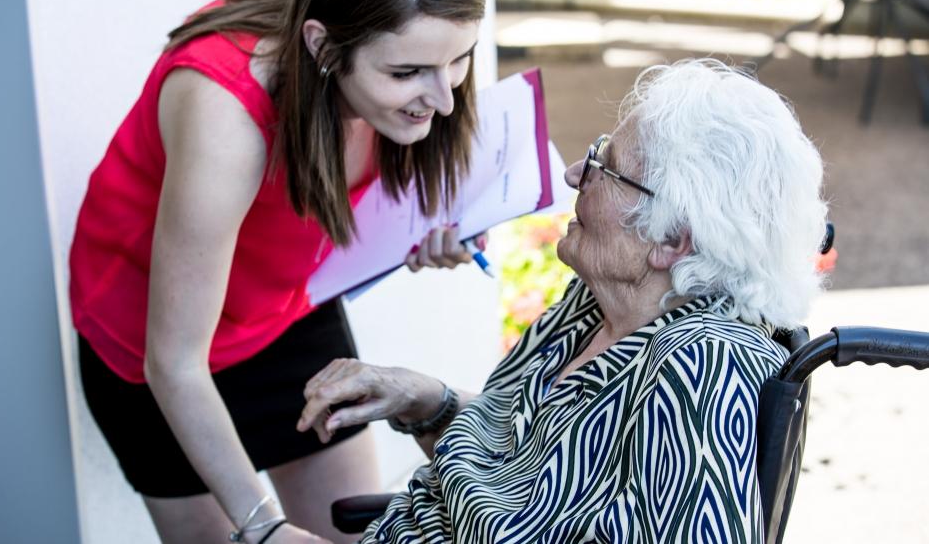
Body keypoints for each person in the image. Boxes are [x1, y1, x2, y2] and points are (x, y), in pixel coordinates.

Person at [68, 0, 485, 542]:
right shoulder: (225, 116)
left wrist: (437, 222)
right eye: (408, 73)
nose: (445, 96)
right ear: (323, 46)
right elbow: (173, 362)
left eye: (459, 59)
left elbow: (338, 193)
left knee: (352, 532)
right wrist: (261, 527)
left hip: (282, 317)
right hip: (157, 352)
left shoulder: (380, 34)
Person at [299, 58, 829, 543]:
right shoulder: (598, 304)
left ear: (671, 241)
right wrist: (423, 400)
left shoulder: (703, 368)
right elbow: (512, 465)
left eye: (607, 165)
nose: (577, 173)